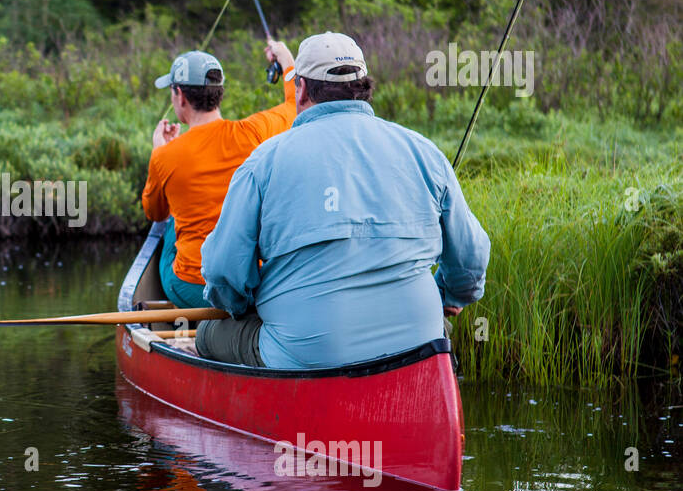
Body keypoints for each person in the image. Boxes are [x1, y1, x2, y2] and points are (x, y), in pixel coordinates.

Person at [197, 31, 490, 369]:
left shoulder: (263, 161)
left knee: (207, 333)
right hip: (420, 346)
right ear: (363, 85)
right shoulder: (424, 151)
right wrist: (450, 296)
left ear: (302, 89)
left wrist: (242, 305)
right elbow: (471, 260)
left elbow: (222, 271)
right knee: (437, 329)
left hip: (306, 353)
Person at [141, 44, 298, 309]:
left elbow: (154, 212)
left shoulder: (164, 156)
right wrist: (287, 61)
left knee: (169, 222)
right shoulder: (254, 132)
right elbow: (294, 106)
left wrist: (160, 152)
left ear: (180, 95)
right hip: (247, 282)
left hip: (192, 285)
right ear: (219, 93)